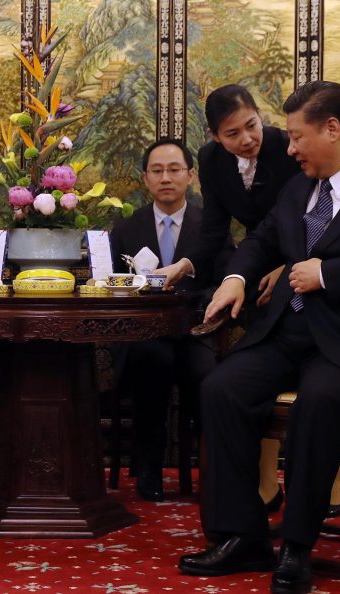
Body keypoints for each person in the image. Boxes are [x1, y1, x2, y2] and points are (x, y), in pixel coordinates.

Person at [178, 81, 340, 594]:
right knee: (221, 388)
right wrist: (235, 279)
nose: (287, 148)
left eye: (296, 137)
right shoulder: (298, 187)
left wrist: (329, 274)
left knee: (317, 400)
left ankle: (297, 547)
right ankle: (242, 535)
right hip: (289, 333)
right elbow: (262, 241)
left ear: (331, 129)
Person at [183, 84, 340, 516]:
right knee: (256, 382)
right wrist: (191, 264)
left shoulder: (289, 151)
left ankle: (327, 487)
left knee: (315, 383)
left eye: (251, 125)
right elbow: (218, 229)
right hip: (257, 268)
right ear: (216, 138)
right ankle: (265, 487)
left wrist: (287, 265)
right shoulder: (213, 159)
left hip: (303, 269)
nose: (247, 139)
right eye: (233, 133)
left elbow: (316, 221)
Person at [109, 138, 212, 501]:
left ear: (191, 176)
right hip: (142, 335)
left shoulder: (210, 226)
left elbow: (224, 274)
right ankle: (148, 467)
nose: (165, 178)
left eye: (174, 170)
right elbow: (112, 285)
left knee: (209, 375)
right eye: (157, 171)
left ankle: (212, 473)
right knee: (151, 360)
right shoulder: (125, 228)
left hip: (195, 332)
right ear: (145, 178)